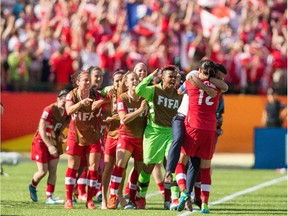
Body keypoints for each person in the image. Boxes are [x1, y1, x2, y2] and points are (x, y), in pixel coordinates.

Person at [177, 60, 228, 213]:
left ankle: (184, 192)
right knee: (206, 168)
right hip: (210, 129)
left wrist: (199, 80)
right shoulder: (218, 89)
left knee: (181, 162)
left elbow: (180, 90)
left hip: (193, 128)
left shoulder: (191, 83)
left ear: (200, 70)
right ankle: (205, 204)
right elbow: (224, 86)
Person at [135, 65, 183, 209]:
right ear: (163, 77)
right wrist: (151, 76)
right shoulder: (154, 90)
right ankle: (141, 197)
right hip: (153, 132)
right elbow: (139, 90)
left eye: (175, 77)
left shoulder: (179, 93)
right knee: (148, 167)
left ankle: (174, 199)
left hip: (170, 133)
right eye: (170, 77)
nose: (173, 79)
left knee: (171, 165)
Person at [63, 69, 105, 209]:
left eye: (89, 80)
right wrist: (81, 104)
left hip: (93, 135)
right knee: (73, 166)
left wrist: (99, 104)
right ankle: (68, 199)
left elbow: (106, 99)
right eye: (85, 80)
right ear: (78, 82)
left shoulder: (95, 94)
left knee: (93, 168)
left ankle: (89, 200)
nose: (88, 82)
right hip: (75, 134)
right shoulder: (72, 95)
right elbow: (69, 111)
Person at [107, 71, 148, 209]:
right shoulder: (122, 98)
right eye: (132, 79)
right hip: (126, 137)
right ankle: (112, 197)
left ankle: (132, 199)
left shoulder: (144, 97)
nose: (135, 81)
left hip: (141, 138)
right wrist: (140, 110)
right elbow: (124, 119)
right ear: (126, 83)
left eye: (137, 79)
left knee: (138, 169)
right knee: (119, 164)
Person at [28, 89, 70, 204]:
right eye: (62, 99)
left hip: (54, 142)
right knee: (42, 171)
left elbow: (62, 128)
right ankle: (32, 186)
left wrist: (61, 136)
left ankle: (49, 197)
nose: (64, 102)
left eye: (67, 100)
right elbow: (41, 129)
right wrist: (50, 146)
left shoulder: (67, 113)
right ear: (58, 99)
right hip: (41, 142)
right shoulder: (49, 109)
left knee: (53, 169)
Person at [101, 69, 125, 209]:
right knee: (108, 166)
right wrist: (106, 88)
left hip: (125, 133)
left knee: (121, 166)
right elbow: (102, 91)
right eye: (116, 81)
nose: (118, 83)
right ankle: (104, 198)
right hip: (111, 133)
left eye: (121, 80)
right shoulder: (111, 92)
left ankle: (118, 195)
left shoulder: (128, 94)